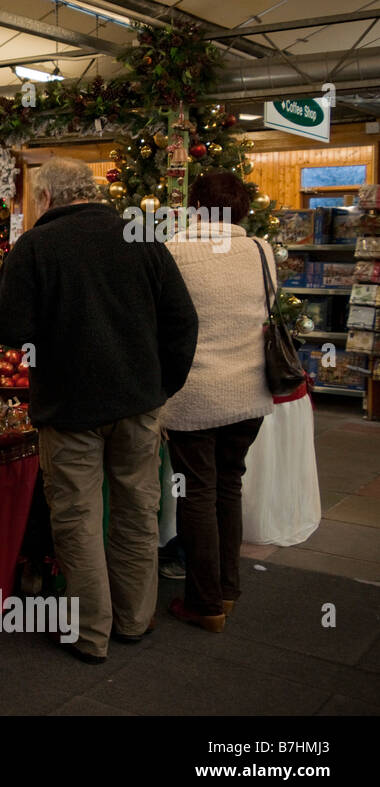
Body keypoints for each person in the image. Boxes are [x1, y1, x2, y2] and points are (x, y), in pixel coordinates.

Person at [0, 157, 198, 663]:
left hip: (69, 407)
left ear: (46, 198)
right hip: (138, 403)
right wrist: (160, 385)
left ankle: (91, 633)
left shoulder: (36, 246)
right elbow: (183, 321)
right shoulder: (141, 236)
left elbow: (7, 328)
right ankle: (132, 619)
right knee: (136, 512)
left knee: (77, 518)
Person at [163, 171, 275, 633]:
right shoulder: (260, 250)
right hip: (249, 392)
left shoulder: (174, 250)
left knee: (197, 493)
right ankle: (227, 587)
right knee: (230, 485)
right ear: (243, 210)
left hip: (193, 393)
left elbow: (163, 317)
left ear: (194, 206)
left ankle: (205, 602)